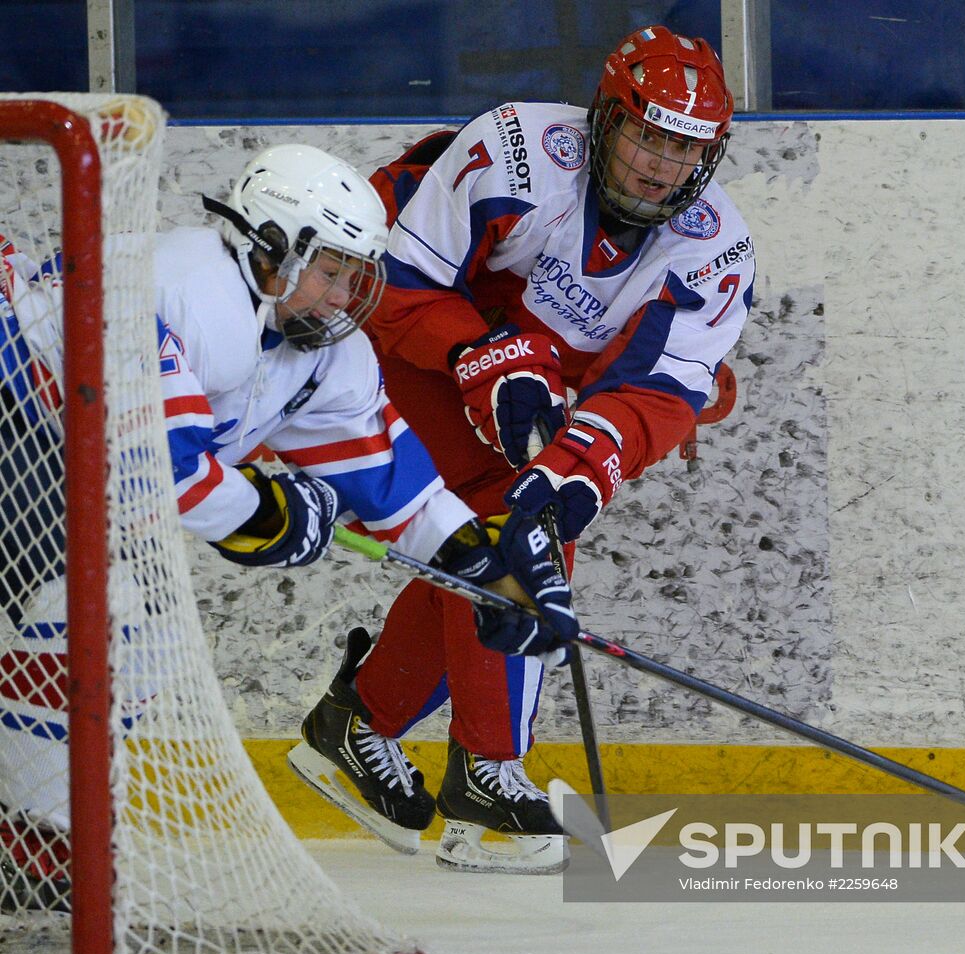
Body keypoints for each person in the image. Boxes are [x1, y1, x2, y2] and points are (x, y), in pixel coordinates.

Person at [0, 143, 577, 909]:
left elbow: (386, 482)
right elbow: (160, 470)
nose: (343, 297)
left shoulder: (311, 353)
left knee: (109, 632)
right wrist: (271, 514)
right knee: (83, 617)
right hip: (19, 428)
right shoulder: (172, 287)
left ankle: (31, 844)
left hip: (50, 473)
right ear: (270, 246)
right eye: (330, 271)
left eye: (354, 276)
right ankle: (33, 841)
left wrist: (486, 564)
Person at [294, 25, 756, 874]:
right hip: (405, 339)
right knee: (518, 541)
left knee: (519, 527)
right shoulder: (516, 148)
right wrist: (481, 359)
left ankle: (360, 723)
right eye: (648, 134)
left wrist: (585, 467)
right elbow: (393, 285)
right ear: (605, 121)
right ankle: (485, 780)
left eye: (683, 147)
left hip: (529, 365)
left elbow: (659, 394)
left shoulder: (716, 247)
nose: (660, 164)